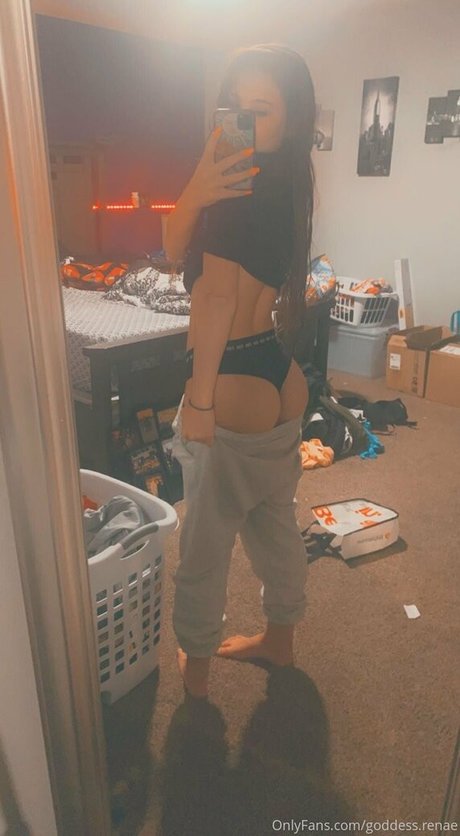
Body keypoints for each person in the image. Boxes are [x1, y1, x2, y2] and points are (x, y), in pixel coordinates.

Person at [165, 44, 316, 698]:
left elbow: (214, 296)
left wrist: (199, 403)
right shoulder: (290, 178)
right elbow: (177, 247)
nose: (245, 122)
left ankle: (196, 673)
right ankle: (280, 639)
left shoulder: (236, 189)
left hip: (228, 380)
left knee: (204, 542)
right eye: (236, 106)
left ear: (291, 117)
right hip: (279, 376)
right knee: (273, 520)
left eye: (263, 109)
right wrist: (199, 186)